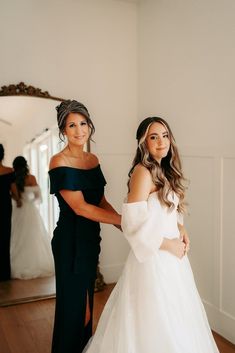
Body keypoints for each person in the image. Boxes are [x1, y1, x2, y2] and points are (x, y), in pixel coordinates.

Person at [83, 117, 220, 353]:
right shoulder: (142, 172)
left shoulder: (164, 170)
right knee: (153, 323)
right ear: (143, 143)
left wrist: (181, 228)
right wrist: (168, 244)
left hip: (173, 260)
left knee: (178, 321)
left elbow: (166, 212)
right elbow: (133, 225)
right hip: (152, 260)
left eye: (165, 135)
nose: (161, 142)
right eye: (153, 137)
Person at [48, 100, 121, 353]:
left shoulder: (92, 159)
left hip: (90, 239)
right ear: (63, 131)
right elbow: (81, 208)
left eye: (83, 123)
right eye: (71, 125)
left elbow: (100, 200)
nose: (79, 130)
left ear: (90, 125)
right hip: (70, 242)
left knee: (88, 307)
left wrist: (125, 226)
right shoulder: (58, 162)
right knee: (73, 310)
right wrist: (125, 221)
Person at [10, 156, 54, 279]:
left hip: (18, 210)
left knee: (18, 237)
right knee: (33, 236)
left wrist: (18, 199)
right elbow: (38, 196)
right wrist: (29, 201)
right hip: (30, 209)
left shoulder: (13, 179)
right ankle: (36, 263)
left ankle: (19, 264)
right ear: (26, 165)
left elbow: (11, 195)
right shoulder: (31, 178)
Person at [0, 144, 20, 281]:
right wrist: (18, 199)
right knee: (4, 238)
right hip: (4, 208)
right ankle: (4, 273)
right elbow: (14, 192)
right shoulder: (9, 171)